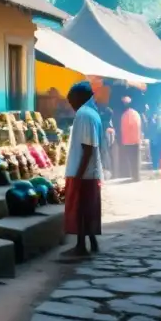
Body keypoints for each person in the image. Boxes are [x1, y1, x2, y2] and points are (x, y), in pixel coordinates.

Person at [63, 81, 103, 258]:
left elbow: (88, 148)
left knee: (80, 210)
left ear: (80, 97)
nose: (71, 104)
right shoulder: (93, 114)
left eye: (72, 100)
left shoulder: (83, 114)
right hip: (90, 171)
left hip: (83, 172)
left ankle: (81, 246)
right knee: (88, 208)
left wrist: (78, 175)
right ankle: (92, 242)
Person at [119, 96, 142, 181]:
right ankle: (137, 177)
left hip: (128, 142)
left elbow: (123, 129)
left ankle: (133, 176)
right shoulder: (136, 114)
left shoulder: (124, 115)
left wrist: (122, 141)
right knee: (136, 159)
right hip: (136, 141)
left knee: (131, 159)